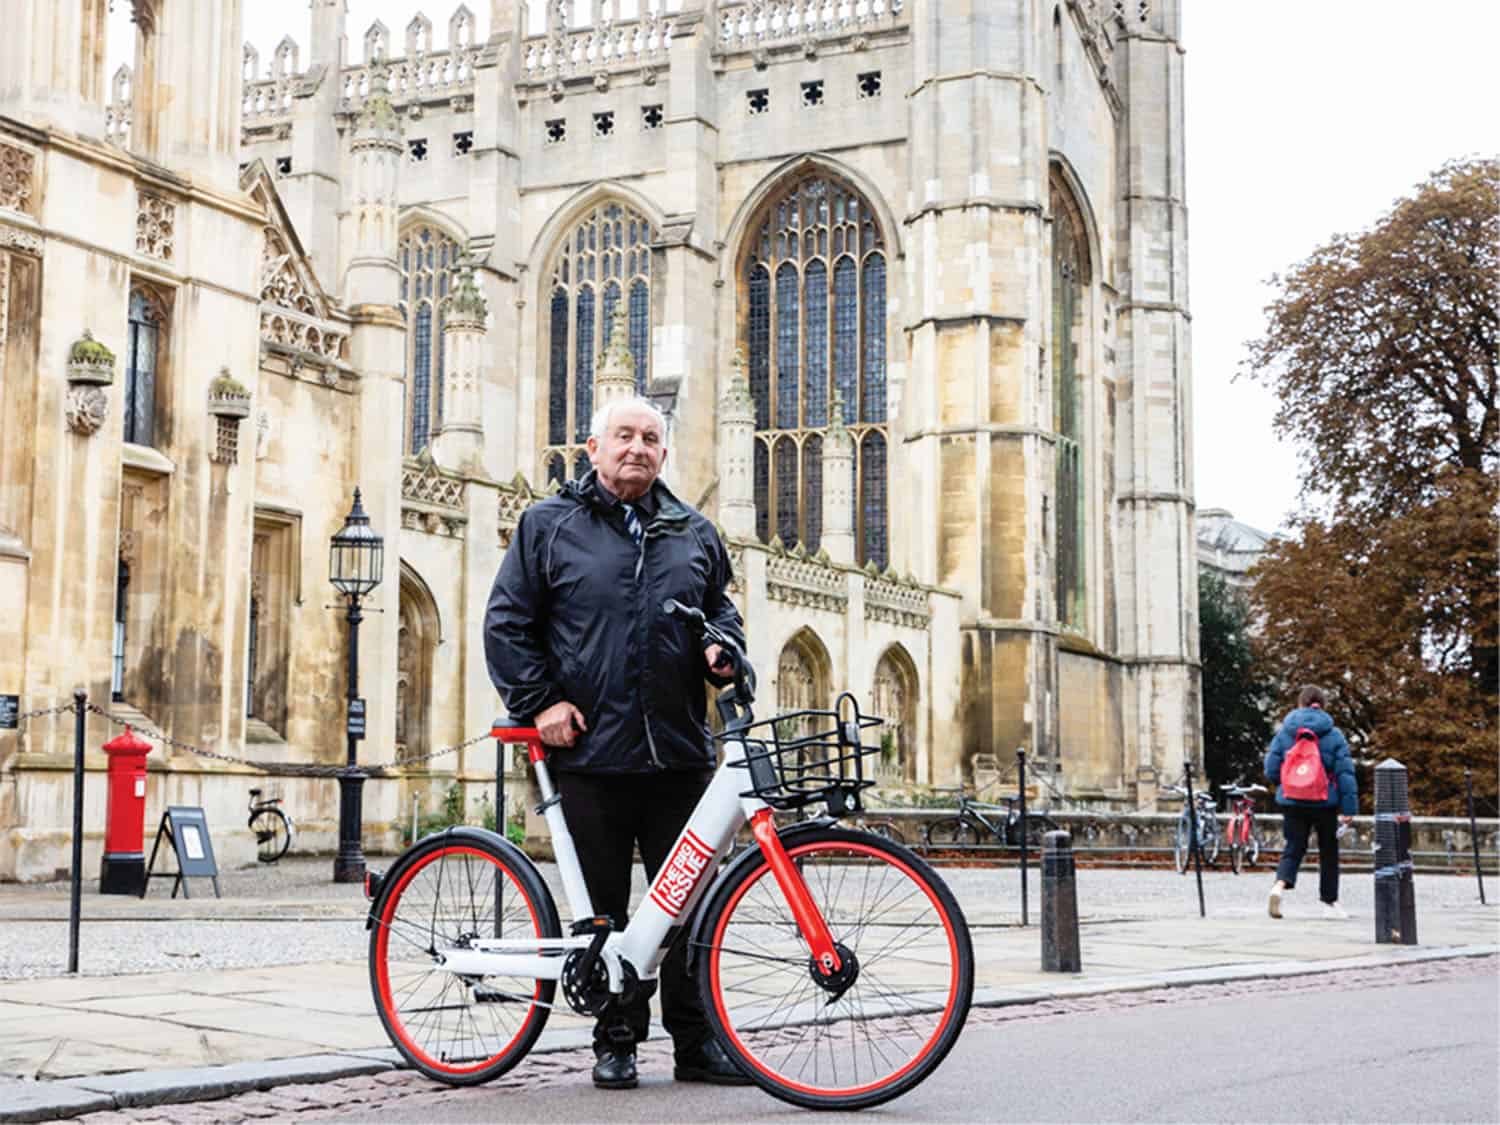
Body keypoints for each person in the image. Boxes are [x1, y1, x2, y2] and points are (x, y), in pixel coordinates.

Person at [484, 396, 750, 1091]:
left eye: (651, 438)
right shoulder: (548, 525)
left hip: (678, 754)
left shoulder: (694, 531)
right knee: (604, 913)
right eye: (624, 435)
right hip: (591, 754)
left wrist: (722, 650)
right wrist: (540, 702)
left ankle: (697, 1043)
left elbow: (720, 610)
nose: (637, 447)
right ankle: (618, 1039)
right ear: (593, 446)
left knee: (690, 912)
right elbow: (506, 624)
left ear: (665, 454)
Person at [1264, 684, 1357, 920]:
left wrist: (1288, 784)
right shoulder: (1334, 734)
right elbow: (1345, 774)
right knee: (1328, 851)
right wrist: (1348, 810)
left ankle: (1280, 885)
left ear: (1300, 704)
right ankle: (1329, 903)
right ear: (1322, 705)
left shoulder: (1285, 732)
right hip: (1324, 802)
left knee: (1293, 847)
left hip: (1292, 800)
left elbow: (1271, 769)